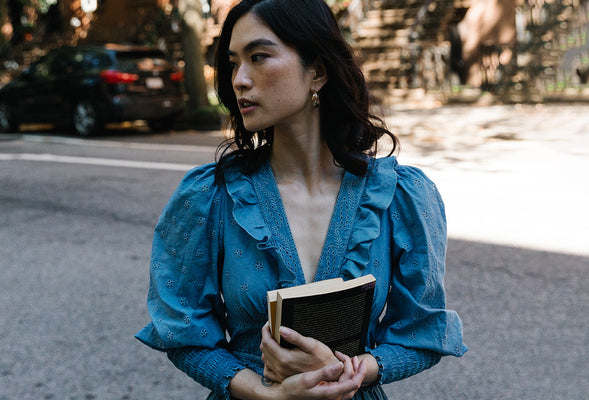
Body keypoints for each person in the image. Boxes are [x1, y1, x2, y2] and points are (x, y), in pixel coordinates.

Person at [135, 0, 468, 399]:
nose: (239, 79)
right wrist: (264, 393)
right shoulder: (210, 195)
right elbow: (183, 329)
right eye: (232, 62)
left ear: (318, 72)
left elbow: (422, 331)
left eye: (258, 57)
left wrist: (357, 370)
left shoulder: (400, 195)